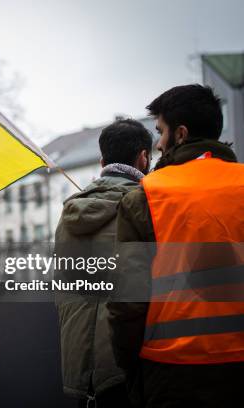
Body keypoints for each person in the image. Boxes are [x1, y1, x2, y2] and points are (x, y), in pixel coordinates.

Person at [107, 84, 244, 407]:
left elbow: (128, 302)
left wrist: (131, 367)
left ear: (180, 134)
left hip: (172, 370)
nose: (157, 143)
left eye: (161, 132)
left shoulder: (146, 196)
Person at [55, 118, 153, 408]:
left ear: (102, 160)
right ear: (143, 158)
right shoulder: (147, 206)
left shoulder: (69, 213)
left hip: (76, 365)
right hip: (125, 365)